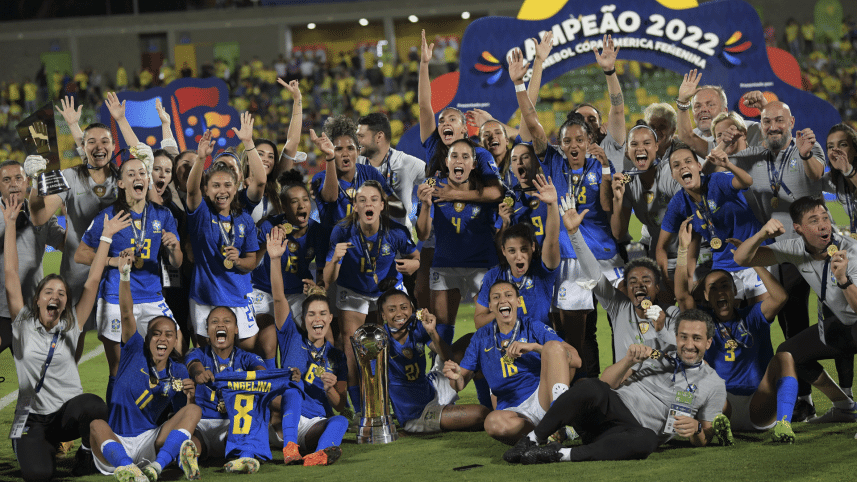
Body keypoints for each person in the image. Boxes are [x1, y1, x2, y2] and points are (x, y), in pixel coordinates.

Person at [510, 47, 619, 374]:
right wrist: (519, 83)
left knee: (608, 328)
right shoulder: (553, 159)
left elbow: (607, 208)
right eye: (567, 138)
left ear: (589, 141)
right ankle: (568, 393)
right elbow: (531, 121)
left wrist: (609, 174)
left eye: (580, 139)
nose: (573, 144)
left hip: (598, 256)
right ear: (560, 141)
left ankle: (610, 389)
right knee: (567, 335)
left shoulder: (602, 165)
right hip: (562, 259)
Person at [505, 310, 727, 465]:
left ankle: (560, 454)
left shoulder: (714, 384)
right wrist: (628, 361)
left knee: (647, 440)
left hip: (628, 433)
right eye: (683, 337)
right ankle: (532, 440)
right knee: (590, 385)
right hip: (608, 408)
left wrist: (696, 429)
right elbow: (606, 383)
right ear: (676, 337)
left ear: (708, 342)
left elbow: (704, 437)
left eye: (697, 338)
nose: (689, 345)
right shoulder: (660, 351)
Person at [720, 101, 826, 419]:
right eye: (767, 122)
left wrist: (807, 155)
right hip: (778, 252)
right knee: (788, 321)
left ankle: (835, 396)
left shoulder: (806, 146)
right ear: (760, 125)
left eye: (780, 120)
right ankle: (805, 398)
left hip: (811, 251)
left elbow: (817, 175)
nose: (774, 126)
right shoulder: (755, 158)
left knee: (824, 320)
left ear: (791, 121)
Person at [3, 197, 118, 481]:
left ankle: (86, 452)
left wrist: (106, 236)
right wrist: (8, 225)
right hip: (32, 418)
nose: (55, 296)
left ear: (65, 303)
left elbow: (92, 280)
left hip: (67, 413)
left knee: (93, 406)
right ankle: (39, 447)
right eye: (48, 292)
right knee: (39, 475)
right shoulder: (22, 324)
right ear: (37, 299)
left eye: (61, 293)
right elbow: (10, 274)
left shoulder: (72, 324)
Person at [734, 197, 857, 429]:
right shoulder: (795, 248)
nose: (824, 225)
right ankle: (844, 407)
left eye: (825, 218)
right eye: (814, 220)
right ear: (798, 228)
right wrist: (761, 235)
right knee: (789, 354)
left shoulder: (852, 251)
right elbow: (742, 258)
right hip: (844, 324)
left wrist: (843, 280)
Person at [674, 218, 797, 443]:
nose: (720, 292)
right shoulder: (702, 321)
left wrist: (752, 260)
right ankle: (712, 430)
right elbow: (682, 295)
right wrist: (683, 250)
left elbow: (780, 297)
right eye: (714, 288)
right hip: (722, 404)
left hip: (759, 404)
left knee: (785, 358)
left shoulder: (753, 316)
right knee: (698, 368)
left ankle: (784, 425)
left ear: (734, 292)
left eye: (725, 286)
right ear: (706, 296)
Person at [76, 156, 183, 401]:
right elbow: (81, 254)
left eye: (142, 173)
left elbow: (177, 262)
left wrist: (174, 246)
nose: (138, 177)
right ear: (121, 183)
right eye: (131, 174)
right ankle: (117, 421)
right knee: (119, 367)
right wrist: (113, 261)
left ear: (148, 180)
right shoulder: (109, 216)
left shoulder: (163, 215)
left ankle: (161, 413)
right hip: (115, 297)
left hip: (152, 296)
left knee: (177, 348)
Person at [28, 95, 125, 360]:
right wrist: (37, 181)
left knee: (122, 337)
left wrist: (117, 120)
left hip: (116, 271)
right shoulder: (70, 176)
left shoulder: (123, 179)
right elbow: (39, 217)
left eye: (105, 141)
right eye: (90, 142)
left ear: (114, 146)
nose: (98, 146)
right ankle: (63, 387)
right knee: (72, 335)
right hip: (77, 272)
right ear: (84, 146)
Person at [89, 258, 200, 481]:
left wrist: (190, 397)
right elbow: (127, 313)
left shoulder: (178, 370)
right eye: (157, 333)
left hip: (150, 440)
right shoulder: (133, 352)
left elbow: (180, 418)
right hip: (117, 440)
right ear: (146, 338)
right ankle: (127, 467)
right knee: (96, 424)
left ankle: (157, 467)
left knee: (194, 412)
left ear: (176, 340)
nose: (163, 338)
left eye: (169, 334)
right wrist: (124, 275)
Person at [443, 280, 581, 445]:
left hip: (542, 398)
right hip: (513, 412)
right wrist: (455, 375)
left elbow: (576, 360)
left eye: (508, 295)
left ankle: (558, 415)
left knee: (553, 346)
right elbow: (459, 384)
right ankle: (546, 435)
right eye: (496, 297)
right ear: (490, 306)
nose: (502, 300)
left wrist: (535, 347)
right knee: (492, 423)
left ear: (518, 301)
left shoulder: (533, 326)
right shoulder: (480, 338)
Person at [325, 179, 418, 411]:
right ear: (355, 206)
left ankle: (402, 403)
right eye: (362, 200)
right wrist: (335, 259)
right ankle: (361, 411)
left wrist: (413, 265)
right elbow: (328, 278)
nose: (369, 204)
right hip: (354, 291)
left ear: (382, 205)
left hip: (387, 292)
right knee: (352, 346)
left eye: (374, 200)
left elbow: (417, 258)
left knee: (396, 345)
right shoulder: (342, 231)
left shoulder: (396, 231)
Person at [563, 193, 678, 363]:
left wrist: (662, 329)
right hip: (625, 387)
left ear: (657, 286)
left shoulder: (672, 314)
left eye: (646, 280)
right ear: (626, 287)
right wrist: (574, 234)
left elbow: (687, 355)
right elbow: (594, 274)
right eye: (632, 281)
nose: (639, 285)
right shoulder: (618, 307)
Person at [268, 229, 345, 466]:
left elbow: (340, 405)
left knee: (340, 422)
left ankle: (319, 455)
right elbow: (279, 298)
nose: (317, 319)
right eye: (311, 314)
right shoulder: (291, 336)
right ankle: (290, 448)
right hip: (285, 421)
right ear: (303, 318)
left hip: (313, 425)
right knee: (294, 387)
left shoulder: (336, 357)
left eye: (322, 313)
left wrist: (331, 390)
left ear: (330, 318)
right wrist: (274, 259)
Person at [657, 142, 768, 305]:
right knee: (728, 318)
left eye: (688, 161)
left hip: (753, 257)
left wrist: (727, 164)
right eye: (676, 165)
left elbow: (746, 181)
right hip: (723, 264)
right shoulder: (678, 203)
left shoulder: (717, 181)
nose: (683, 167)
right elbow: (661, 246)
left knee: (760, 318)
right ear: (673, 175)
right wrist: (668, 279)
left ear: (698, 166)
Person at [415, 140, 496, 348]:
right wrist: (425, 205)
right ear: (446, 162)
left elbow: (498, 227)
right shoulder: (433, 189)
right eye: (454, 156)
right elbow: (423, 234)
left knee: (490, 322)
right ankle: (441, 372)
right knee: (442, 327)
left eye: (465, 157)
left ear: (474, 164)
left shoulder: (483, 192)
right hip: (445, 265)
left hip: (482, 265)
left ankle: (488, 368)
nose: (459, 160)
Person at [186, 130, 261, 352]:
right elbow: (191, 192)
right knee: (207, 353)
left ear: (236, 187)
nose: (222, 191)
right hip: (204, 296)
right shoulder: (201, 215)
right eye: (216, 186)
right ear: (207, 190)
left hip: (238, 295)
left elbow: (251, 261)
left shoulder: (245, 220)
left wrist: (238, 261)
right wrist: (200, 158)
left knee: (247, 348)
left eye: (227, 185)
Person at [380, 289, 490, 433]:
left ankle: (491, 406)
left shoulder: (416, 327)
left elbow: (448, 357)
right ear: (383, 315)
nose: (399, 313)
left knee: (472, 342)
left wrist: (432, 331)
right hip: (418, 413)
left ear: (411, 308)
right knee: (481, 415)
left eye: (404, 307)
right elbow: (376, 385)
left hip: (432, 387)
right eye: (392, 310)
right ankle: (456, 414)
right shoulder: (380, 341)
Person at [250, 169, 326, 366]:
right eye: (294, 202)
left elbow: (322, 269)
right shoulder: (268, 226)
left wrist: (319, 287)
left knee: (321, 332)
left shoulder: (317, 231)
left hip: (296, 293)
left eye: (305, 200)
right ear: (283, 206)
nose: (301, 205)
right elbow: (252, 260)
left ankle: (316, 381)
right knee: (267, 340)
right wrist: (270, 240)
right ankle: (271, 383)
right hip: (263, 291)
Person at [476, 174, 560, 329]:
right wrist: (502, 309)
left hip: (536, 343)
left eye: (524, 249)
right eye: (512, 251)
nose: (519, 256)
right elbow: (478, 322)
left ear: (533, 248)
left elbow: (552, 240)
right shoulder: (493, 276)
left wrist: (553, 204)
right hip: (504, 344)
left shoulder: (542, 273)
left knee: (567, 351)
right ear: (504, 251)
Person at [0, 160, 64, 354]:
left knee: (35, 379)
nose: (13, 184)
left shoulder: (40, 214)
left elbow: (66, 244)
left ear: (27, 181)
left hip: (31, 311)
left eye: (18, 178)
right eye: (6, 179)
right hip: (0, 310)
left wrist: (71, 209)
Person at [611, 122, 682, 282]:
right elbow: (618, 233)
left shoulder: (670, 173)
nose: (640, 148)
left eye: (647, 143)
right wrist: (617, 199)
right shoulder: (628, 182)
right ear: (627, 151)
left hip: (686, 252)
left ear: (657, 146)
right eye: (634, 144)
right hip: (657, 254)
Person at [356, 112, 426, 230]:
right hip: (364, 240)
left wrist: (425, 201)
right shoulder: (354, 164)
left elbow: (435, 178)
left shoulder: (406, 163)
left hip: (398, 242)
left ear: (379, 137)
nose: (358, 140)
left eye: (362, 136)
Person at [674, 70, 765, 156]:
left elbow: (774, 130)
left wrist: (764, 107)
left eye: (710, 105)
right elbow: (686, 136)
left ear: (724, 111)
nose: (703, 109)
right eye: (698, 106)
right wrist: (683, 100)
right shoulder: (687, 139)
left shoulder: (748, 129)